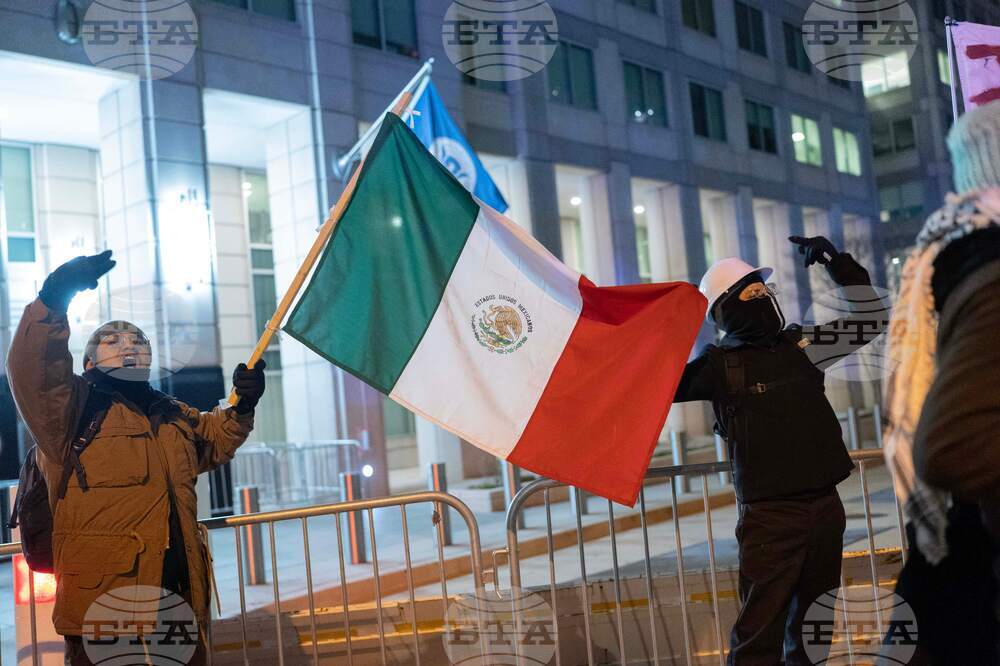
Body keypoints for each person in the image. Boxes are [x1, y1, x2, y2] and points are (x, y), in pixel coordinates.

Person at [6, 250, 267, 665]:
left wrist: (244, 403)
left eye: (138, 341)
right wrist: (53, 299)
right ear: (89, 361)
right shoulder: (71, 410)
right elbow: (35, 369)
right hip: (105, 611)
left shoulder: (170, 412)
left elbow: (215, 439)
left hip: (178, 599)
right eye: (112, 341)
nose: (128, 346)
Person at [673, 236, 887, 665]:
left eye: (765, 291)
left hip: (825, 509)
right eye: (751, 294)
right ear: (725, 311)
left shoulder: (801, 347)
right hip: (770, 521)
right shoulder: (718, 367)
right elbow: (649, 381)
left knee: (813, 629)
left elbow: (870, 318)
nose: (764, 299)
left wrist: (838, 265)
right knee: (759, 636)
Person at [884, 100, 1000, 664]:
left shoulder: (947, 259)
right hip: (974, 561)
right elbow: (950, 445)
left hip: (956, 551)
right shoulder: (988, 270)